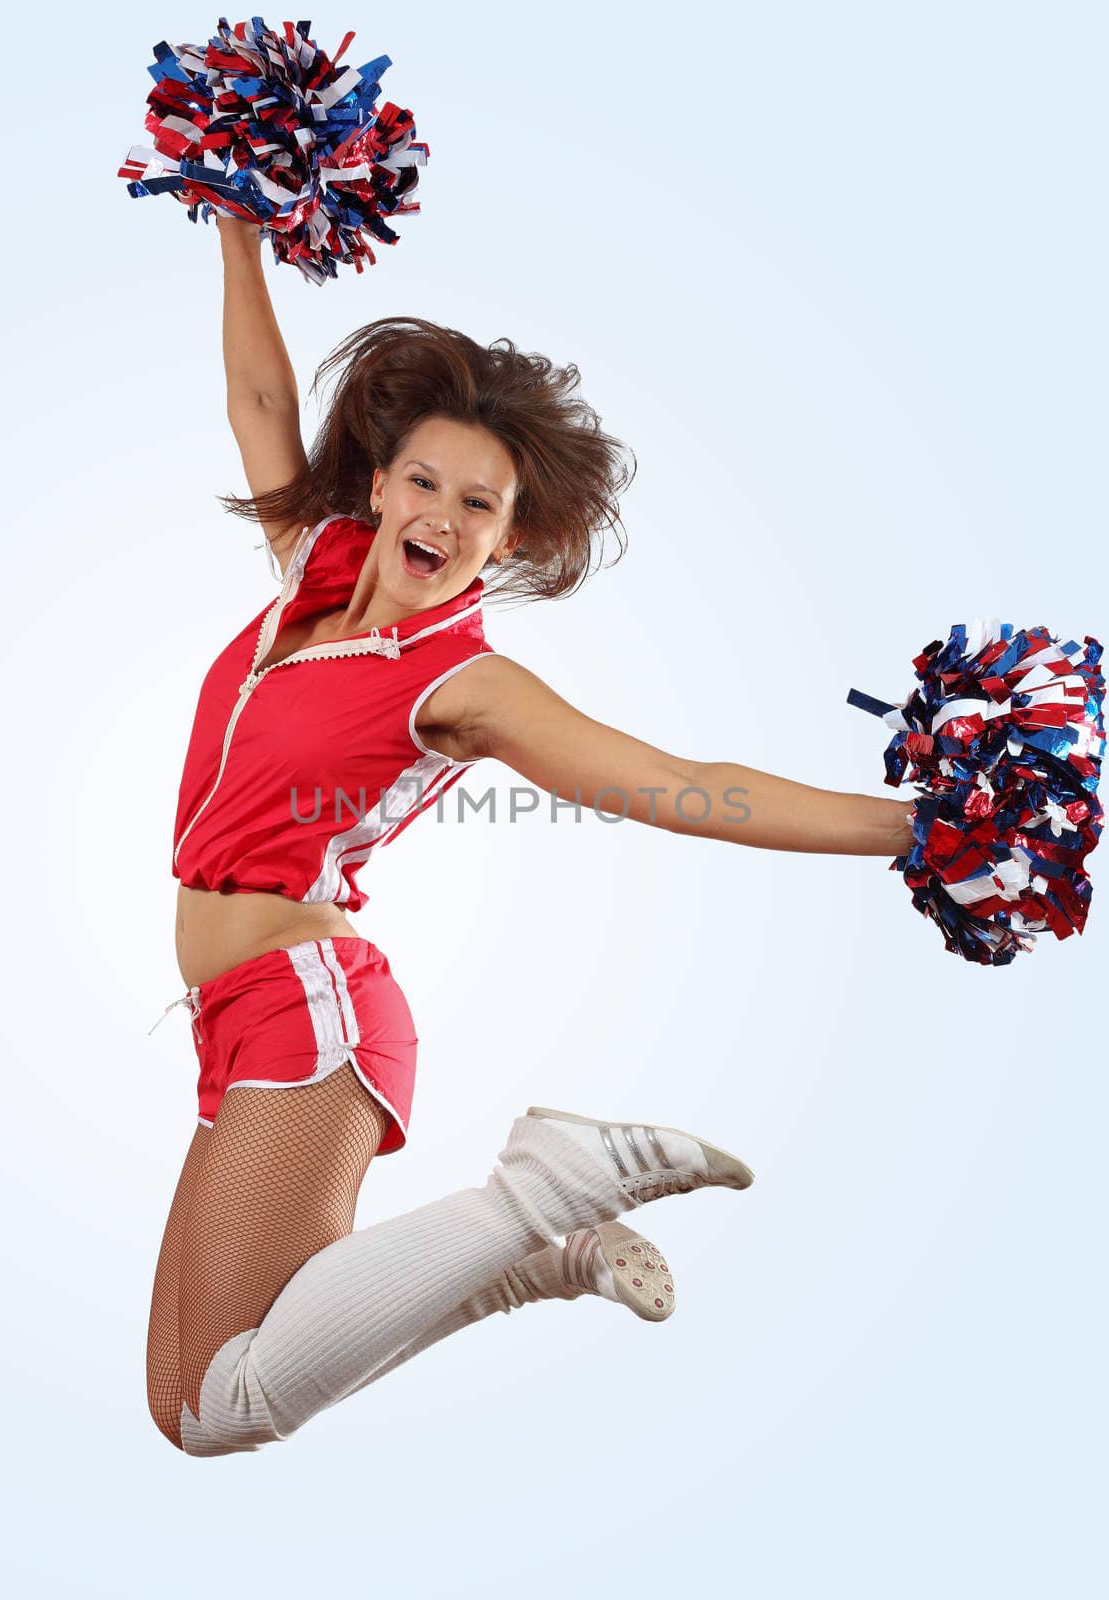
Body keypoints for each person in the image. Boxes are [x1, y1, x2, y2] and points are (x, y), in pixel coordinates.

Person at [145, 216, 915, 1456]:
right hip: (229, 1012)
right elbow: (253, 395)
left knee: (231, 1405)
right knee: (182, 1400)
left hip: (309, 1005)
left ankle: (546, 1182)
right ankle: (539, 1261)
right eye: (425, 482)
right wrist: (236, 226)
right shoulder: (310, 567)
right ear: (381, 483)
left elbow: (678, 783)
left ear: (510, 540)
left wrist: (923, 829)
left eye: (479, 505)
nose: (441, 515)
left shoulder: (461, 684)